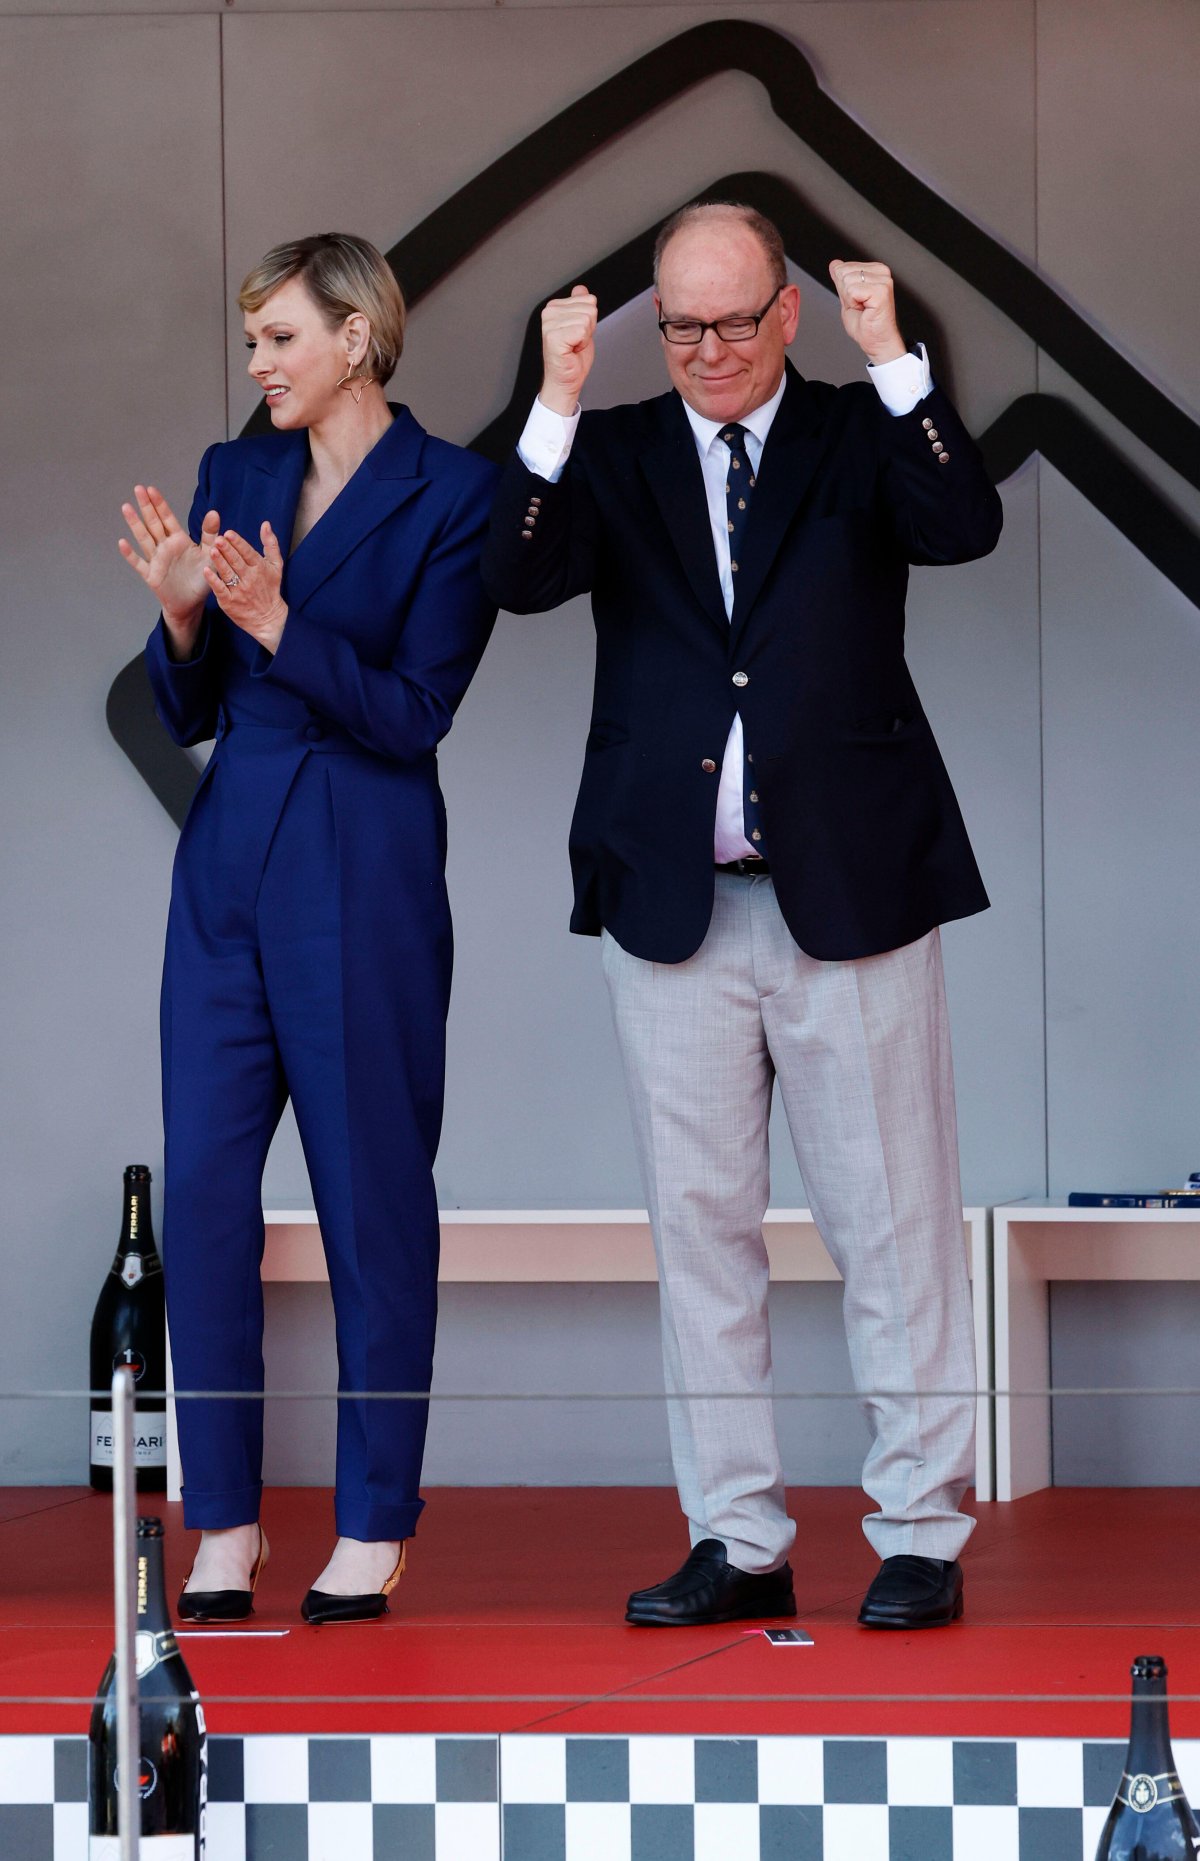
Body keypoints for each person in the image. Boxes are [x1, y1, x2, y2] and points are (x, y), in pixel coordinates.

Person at [483, 202, 1002, 1630]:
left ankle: (917, 1530)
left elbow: (965, 522)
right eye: (682, 324)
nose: (705, 350)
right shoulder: (618, 447)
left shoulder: (856, 430)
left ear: (789, 313)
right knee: (700, 1233)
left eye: (731, 321)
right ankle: (737, 1532)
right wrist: (560, 395)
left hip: (856, 885)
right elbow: (510, 575)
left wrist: (897, 358)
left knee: (893, 1228)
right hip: (674, 902)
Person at [119, 233, 497, 1623]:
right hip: (226, 866)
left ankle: (374, 1519)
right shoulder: (238, 474)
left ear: (357, 335)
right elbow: (193, 706)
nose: (259, 364)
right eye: (254, 341)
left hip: (365, 862)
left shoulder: (454, 492)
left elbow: (413, 714)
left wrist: (276, 621)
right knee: (208, 1200)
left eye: (280, 338)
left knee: (371, 1197)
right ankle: (219, 1519)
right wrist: (181, 621)